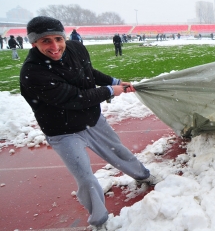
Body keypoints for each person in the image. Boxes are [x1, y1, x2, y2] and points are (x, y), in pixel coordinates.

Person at [19, 16, 156, 228]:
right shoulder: (32, 72)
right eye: (46, 41)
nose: (55, 46)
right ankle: (100, 221)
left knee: (118, 150)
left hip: (93, 119)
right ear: (33, 43)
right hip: (62, 132)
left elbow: (88, 73)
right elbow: (74, 98)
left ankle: (144, 175)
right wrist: (110, 91)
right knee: (85, 178)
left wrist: (114, 81)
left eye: (58, 39)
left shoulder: (76, 48)